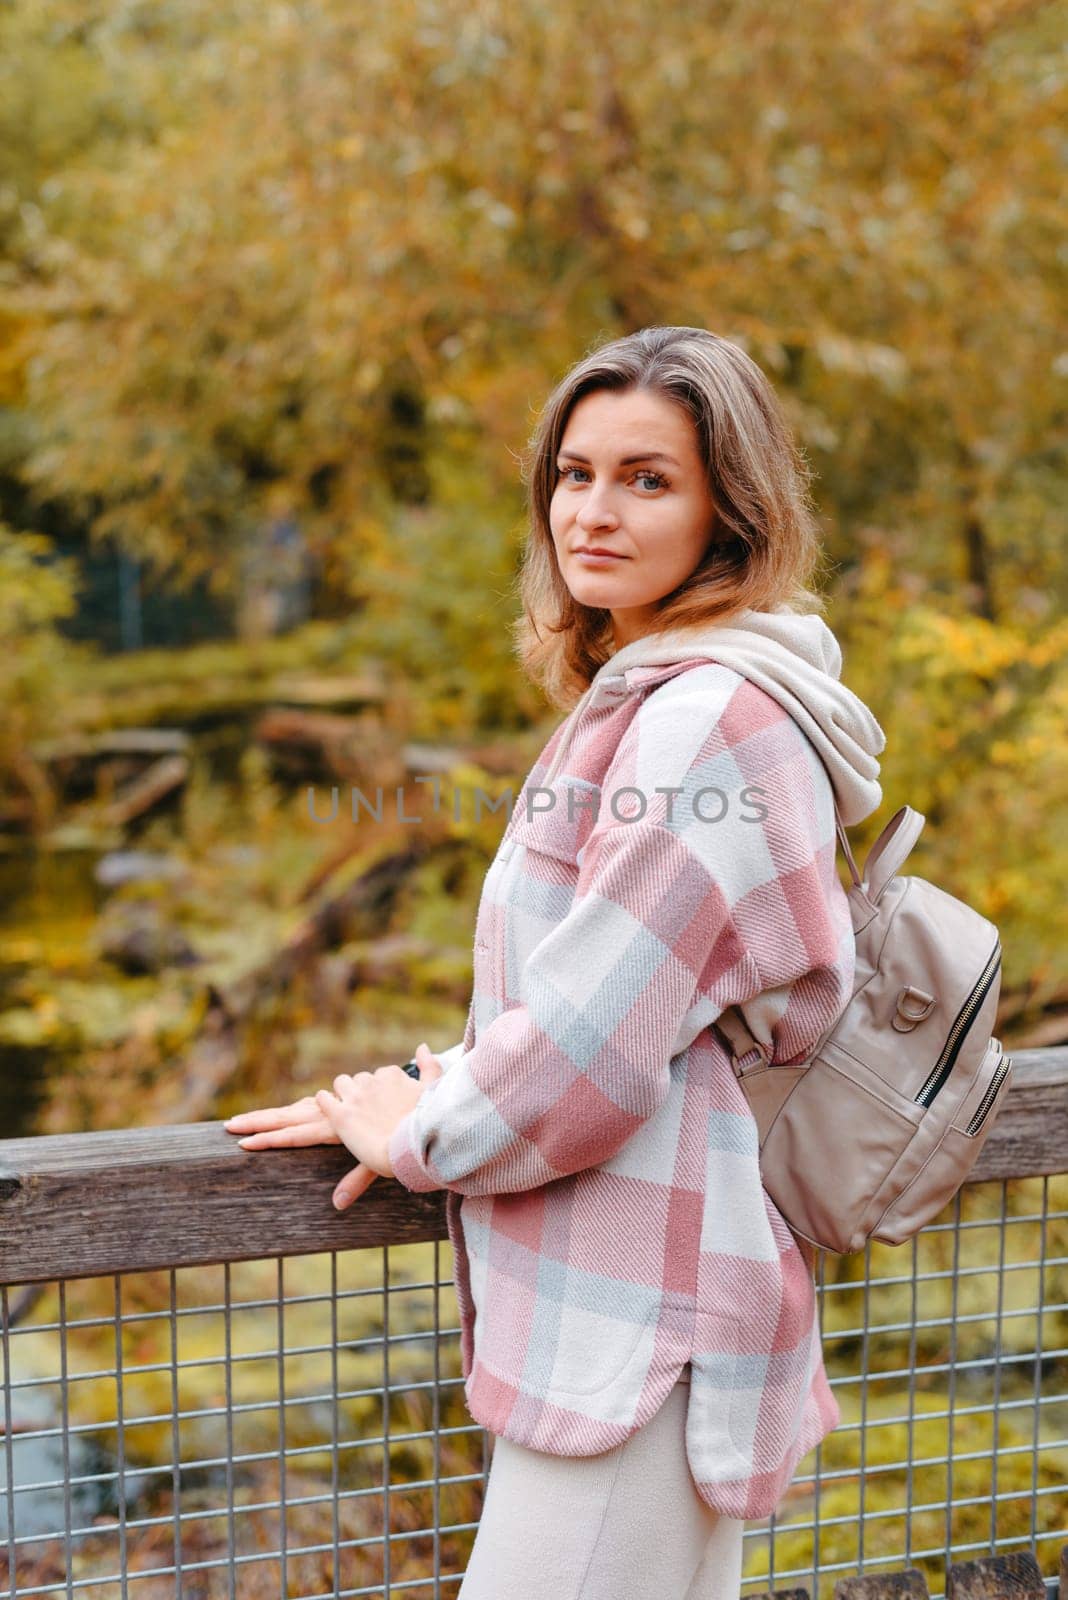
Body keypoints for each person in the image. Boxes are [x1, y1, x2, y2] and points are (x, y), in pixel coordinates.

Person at [225, 325, 886, 1599]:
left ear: (728, 511)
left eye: (648, 479)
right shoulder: (668, 695)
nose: (592, 510)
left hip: (643, 1320)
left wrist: (422, 1129)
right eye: (574, 474)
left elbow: (591, 1052)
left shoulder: (701, 723)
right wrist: (421, 1083)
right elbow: (617, 995)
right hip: (654, 1300)